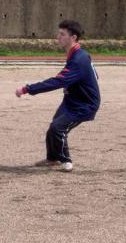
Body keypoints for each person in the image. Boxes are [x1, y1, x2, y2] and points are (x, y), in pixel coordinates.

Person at [15, 20, 100, 172]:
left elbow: (58, 81)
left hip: (84, 105)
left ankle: (66, 160)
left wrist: (27, 89)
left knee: (58, 128)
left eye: (62, 34)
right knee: (53, 128)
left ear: (73, 37)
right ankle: (52, 158)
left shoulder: (79, 59)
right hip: (71, 100)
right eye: (58, 33)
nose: (58, 37)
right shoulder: (78, 54)